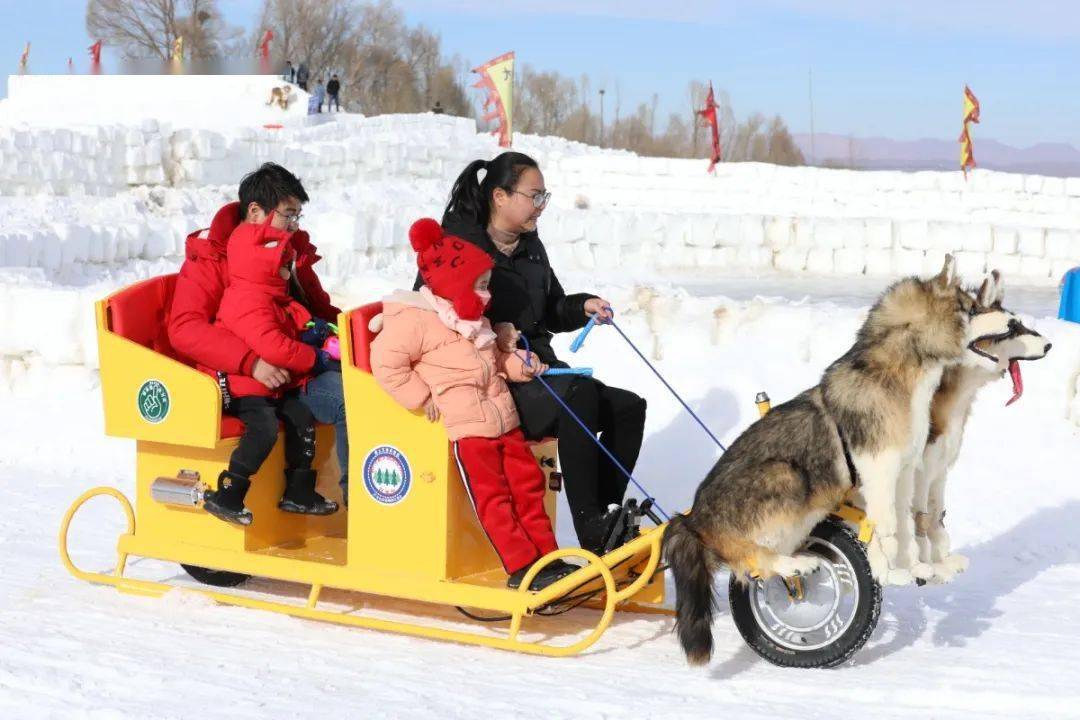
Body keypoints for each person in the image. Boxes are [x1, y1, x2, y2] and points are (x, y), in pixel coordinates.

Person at [425, 152, 647, 554]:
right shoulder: (457, 249)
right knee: (581, 397)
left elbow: (551, 309)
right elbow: (437, 319)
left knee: (628, 407)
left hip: (540, 370)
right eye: (534, 195)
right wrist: (504, 360)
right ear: (500, 196)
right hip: (492, 383)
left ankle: (609, 514)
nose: (541, 206)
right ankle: (591, 526)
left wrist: (582, 307)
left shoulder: (530, 247)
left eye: (544, 196)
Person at [373, 219, 576, 590]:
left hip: (503, 420)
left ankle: (548, 559)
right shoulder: (416, 322)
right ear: (456, 286)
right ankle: (521, 567)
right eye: (481, 286)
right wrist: (421, 396)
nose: (487, 295)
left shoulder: (474, 322)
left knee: (529, 486)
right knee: (494, 498)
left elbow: (495, 363)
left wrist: (521, 367)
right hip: (469, 431)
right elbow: (385, 363)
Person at [168, 163, 351, 504]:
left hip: (293, 366)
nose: (294, 226)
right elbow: (185, 329)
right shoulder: (211, 260)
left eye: (298, 217)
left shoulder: (284, 251)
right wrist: (252, 363)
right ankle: (364, 505)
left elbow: (316, 309)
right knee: (350, 400)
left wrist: (352, 340)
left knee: (368, 384)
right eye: (288, 215)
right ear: (255, 211)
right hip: (248, 377)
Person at [200, 208, 340, 525]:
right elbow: (274, 346)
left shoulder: (272, 296)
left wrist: (314, 330)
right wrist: (314, 357)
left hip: (271, 388)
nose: (289, 276)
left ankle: (298, 491)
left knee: (301, 416)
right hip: (241, 386)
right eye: (283, 269)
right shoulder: (245, 301)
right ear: (260, 267)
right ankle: (230, 492)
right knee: (263, 428)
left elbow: (293, 319)